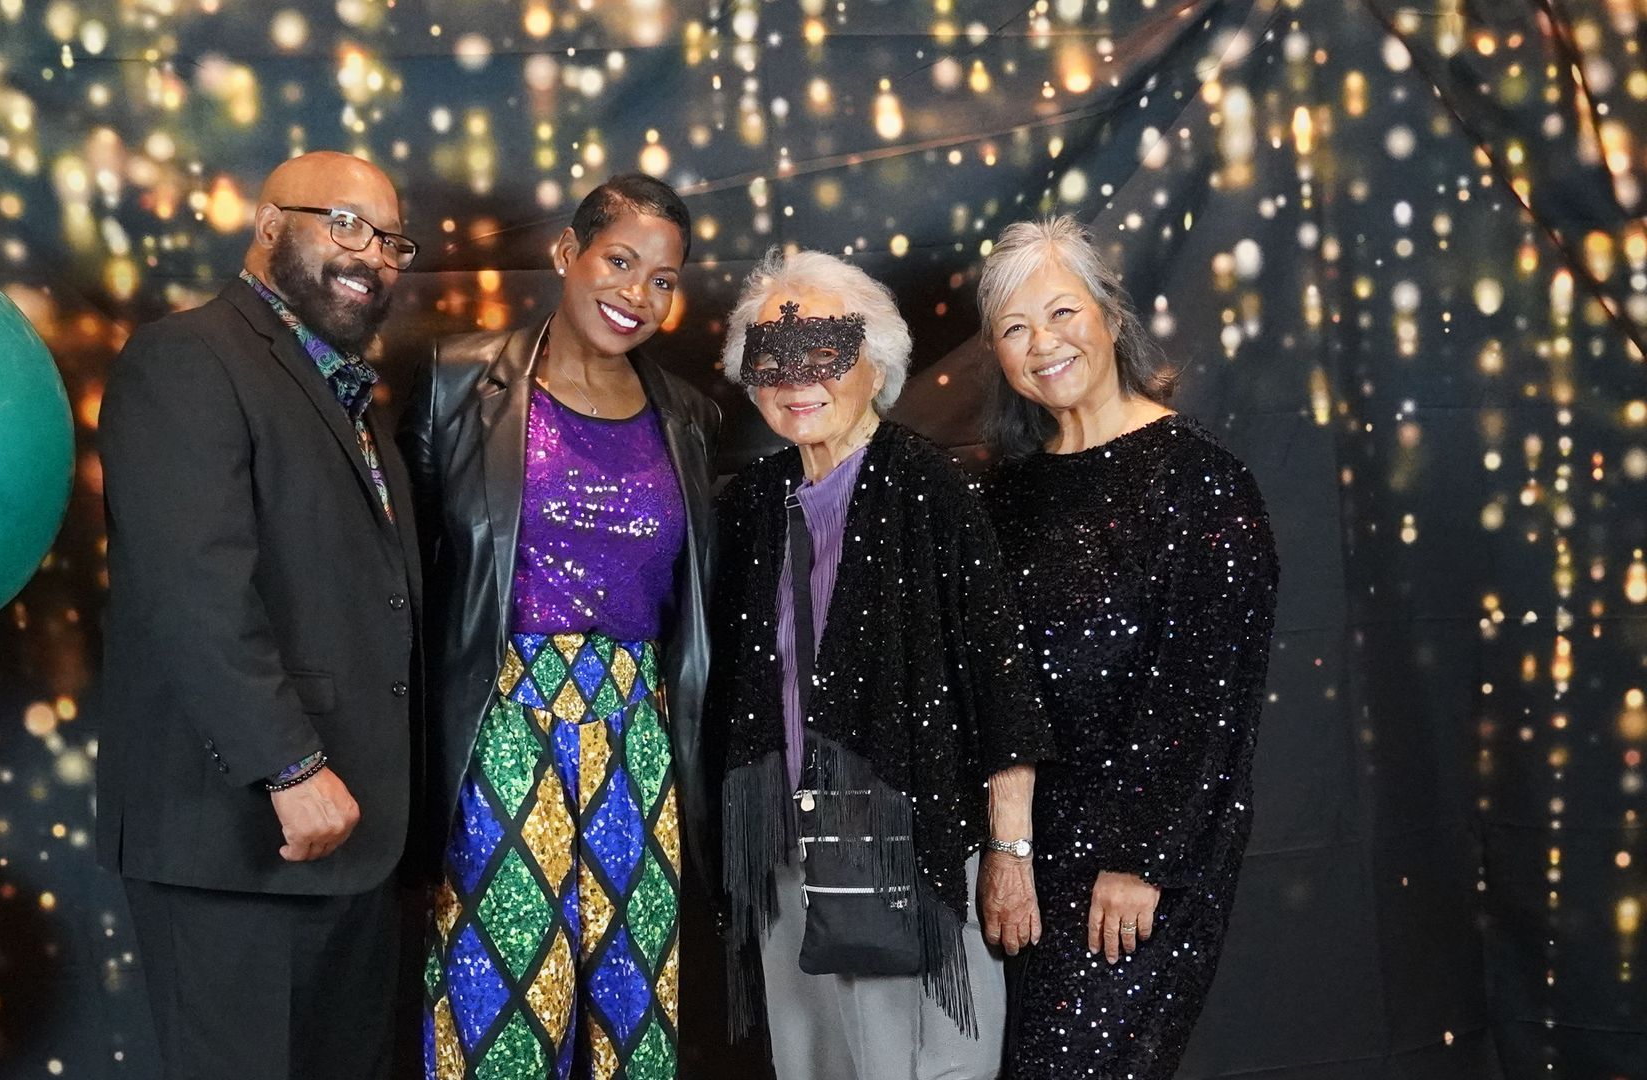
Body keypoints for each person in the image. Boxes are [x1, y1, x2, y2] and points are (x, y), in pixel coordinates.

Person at [95, 151, 423, 1080]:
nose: (373, 255)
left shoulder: (351, 395)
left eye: (391, 241)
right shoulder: (187, 358)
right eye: (346, 225)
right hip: (238, 833)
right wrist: (291, 765)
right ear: (270, 223)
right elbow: (192, 589)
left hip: (355, 841)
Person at [400, 173, 719, 1079]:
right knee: (500, 1005)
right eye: (619, 262)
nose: (637, 294)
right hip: (502, 732)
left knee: (634, 1012)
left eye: (662, 280)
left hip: (640, 743)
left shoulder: (690, 417)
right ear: (566, 252)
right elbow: (406, 581)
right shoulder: (459, 381)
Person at [706, 248, 1053, 1080]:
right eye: (771, 357)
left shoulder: (929, 488)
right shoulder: (751, 503)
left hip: (907, 846)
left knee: (923, 1064)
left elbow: (1002, 686)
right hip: (786, 853)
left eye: (824, 352)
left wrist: (1010, 856)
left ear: (878, 364)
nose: (797, 379)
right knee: (814, 1064)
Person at [973, 215, 1279, 1078]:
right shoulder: (1008, 495)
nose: (1044, 344)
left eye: (1062, 313)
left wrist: (1140, 858)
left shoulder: (1202, 481)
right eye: (1015, 329)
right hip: (1020, 858)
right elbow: (991, 682)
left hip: (1139, 859)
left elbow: (1207, 696)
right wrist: (1006, 848)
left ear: (1111, 317)